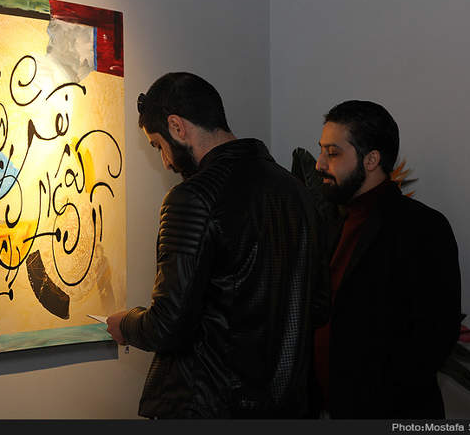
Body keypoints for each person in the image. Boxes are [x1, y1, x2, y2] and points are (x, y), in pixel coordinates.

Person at [106, 72, 328, 418]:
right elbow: (319, 305)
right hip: (286, 407)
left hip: (209, 405)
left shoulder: (192, 198)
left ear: (177, 127)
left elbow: (167, 325)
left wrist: (126, 324)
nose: (165, 161)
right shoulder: (297, 191)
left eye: (158, 146)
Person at [313, 100, 461, 418]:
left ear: (371, 160)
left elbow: (435, 336)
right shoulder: (329, 222)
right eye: (321, 151)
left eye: (333, 153)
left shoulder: (422, 227)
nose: (319, 164)